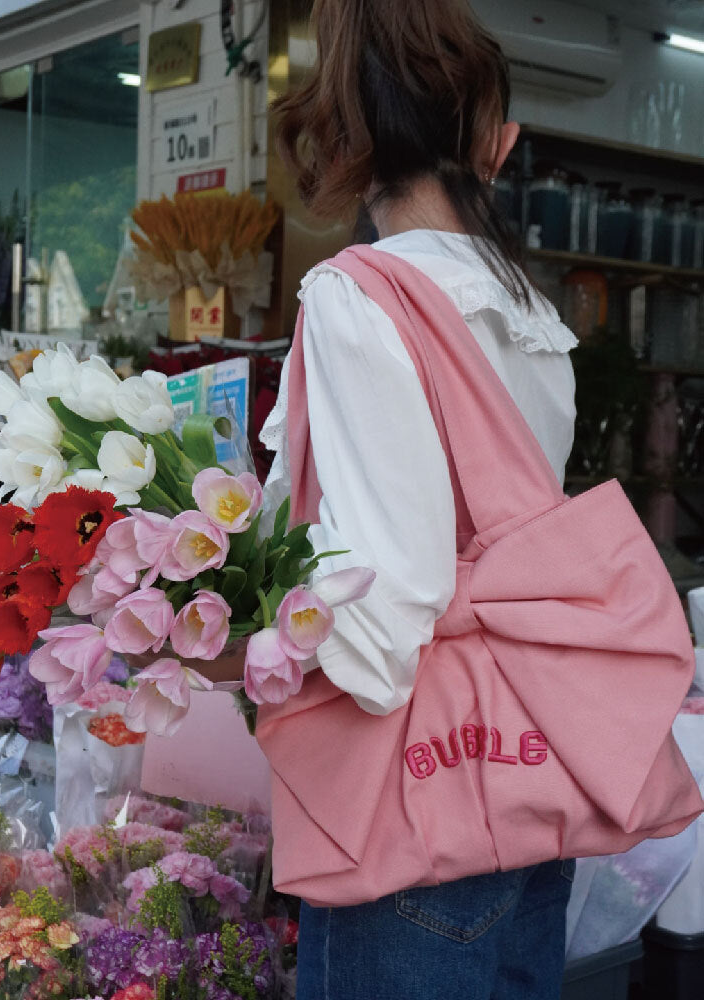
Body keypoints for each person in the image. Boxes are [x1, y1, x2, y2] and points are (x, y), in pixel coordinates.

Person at [256, 1, 579, 998]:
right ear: (498, 146)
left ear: (350, 141)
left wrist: (261, 636)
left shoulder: (359, 297)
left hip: (410, 787)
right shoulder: (534, 312)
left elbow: (390, 588)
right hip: (534, 759)